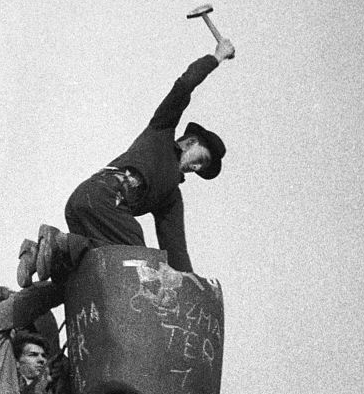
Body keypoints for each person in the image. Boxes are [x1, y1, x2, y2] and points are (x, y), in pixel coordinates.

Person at [17, 36, 235, 286]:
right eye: (202, 160)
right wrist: (216, 57)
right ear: (190, 142)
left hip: (86, 206)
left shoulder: (171, 198)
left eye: (202, 168)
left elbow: (176, 251)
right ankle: (60, 243)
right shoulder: (161, 132)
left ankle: (40, 252)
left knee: (86, 273)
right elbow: (183, 87)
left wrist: (191, 285)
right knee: (139, 261)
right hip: (104, 196)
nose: (197, 168)